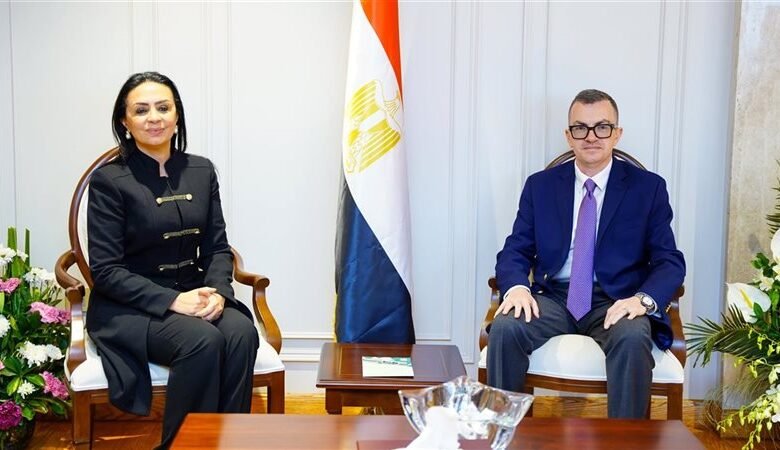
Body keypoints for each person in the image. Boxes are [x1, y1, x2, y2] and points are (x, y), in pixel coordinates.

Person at [487, 89, 685, 418]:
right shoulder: (540, 186)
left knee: (633, 335)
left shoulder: (647, 188)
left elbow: (669, 261)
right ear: (569, 136)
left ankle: (626, 440)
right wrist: (518, 288)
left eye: (602, 127)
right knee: (506, 326)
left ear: (617, 134)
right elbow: (515, 249)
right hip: (553, 297)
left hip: (616, 300)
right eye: (580, 128)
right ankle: (504, 433)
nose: (591, 136)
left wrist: (642, 300)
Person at [87, 71, 259, 448]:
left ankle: (228, 442)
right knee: (201, 340)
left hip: (195, 292)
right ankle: (183, 445)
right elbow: (106, 271)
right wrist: (172, 301)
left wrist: (218, 293)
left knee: (241, 333)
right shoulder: (109, 180)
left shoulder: (201, 170)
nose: (154, 118)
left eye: (163, 108)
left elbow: (217, 247)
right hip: (130, 307)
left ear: (177, 115)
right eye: (141, 110)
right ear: (124, 121)